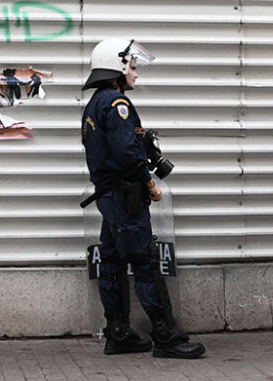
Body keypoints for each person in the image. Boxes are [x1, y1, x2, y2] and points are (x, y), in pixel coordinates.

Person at [80, 38, 205, 359]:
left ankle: (119, 333)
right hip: (126, 197)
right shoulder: (118, 104)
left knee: (111, 260)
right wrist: (149, 183)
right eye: (132, 67)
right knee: (145, 260)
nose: (135, 74)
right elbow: (126, 153)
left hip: (109, 196)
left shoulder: (94, 104)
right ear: (118, 67)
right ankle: (166, 335)